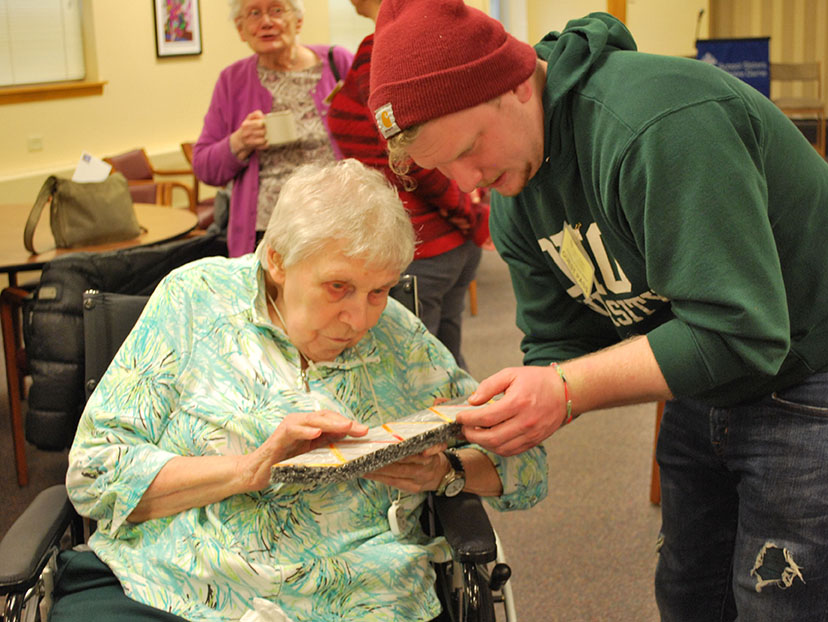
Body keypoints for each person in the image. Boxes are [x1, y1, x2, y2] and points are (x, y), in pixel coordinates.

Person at [366, 1, 828, 620]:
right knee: (691, 594)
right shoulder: (514, 188)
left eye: (470, 148)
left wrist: (566, 388)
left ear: (516, 85)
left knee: (779, 602)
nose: (469, 181)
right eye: (442, 168)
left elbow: (740, 332)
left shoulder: (656, 124)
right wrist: (521, 406)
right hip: (713, 361)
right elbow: (560, 339)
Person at [60, 159, 547, 622]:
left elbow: (527, 467)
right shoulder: (194, 300)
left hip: (356, 597)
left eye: (379, 291)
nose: (360, 319)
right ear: (277, 261)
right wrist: (249, 469)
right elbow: (94, 473)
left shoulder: (400, 338)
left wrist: (443, 471)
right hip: (171, 587)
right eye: (338, 287)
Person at [326, 0, 486, 368]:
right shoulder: (403, 44)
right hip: (447, 243)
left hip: (422, 249)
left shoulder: (382, 51)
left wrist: (469, 215)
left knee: (415, 377)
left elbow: (412, 158)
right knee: (447, 368)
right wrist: (470, 216)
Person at [192, 0, 353, 256]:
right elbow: (204, 166)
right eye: (254, 13)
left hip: (341, 221)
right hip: (270, 234)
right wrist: (239, 142)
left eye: (276, 10)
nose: (266, 21)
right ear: (241, 29)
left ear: (298, 20)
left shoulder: (339, 63)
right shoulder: (232, 81)